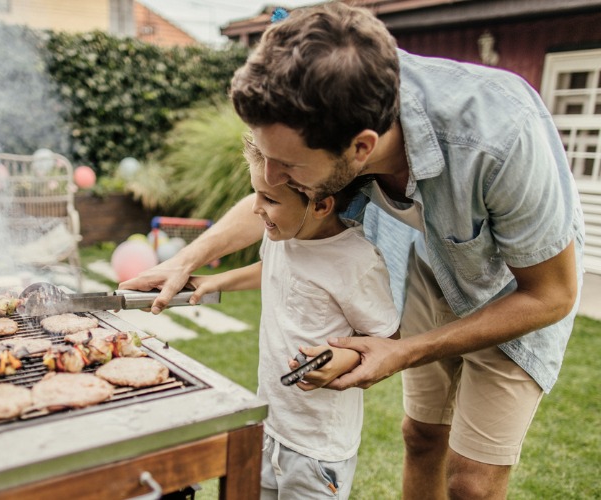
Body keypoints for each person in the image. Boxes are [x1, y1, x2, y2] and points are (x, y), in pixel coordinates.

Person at [120, 3, 585, 499]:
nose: (270, 179)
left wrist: (405, 350)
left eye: (290, 167)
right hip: (430, 258)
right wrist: (184, 260)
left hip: (515, 287)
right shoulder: (336, 101)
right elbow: (274, 196)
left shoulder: (498, 137)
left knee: (471, 482)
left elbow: (551, 295)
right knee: (421, 435)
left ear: (361, 149)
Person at [188, 136, 399, 499]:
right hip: (270, 424)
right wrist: (213, 280)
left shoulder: (357, 263)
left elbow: (387, 340)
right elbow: (270, 269)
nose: (256, 209)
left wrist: (343, 358)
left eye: (269, 199)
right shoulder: (282, 236)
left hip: (317, 446)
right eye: (256, 193)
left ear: (321, 205)